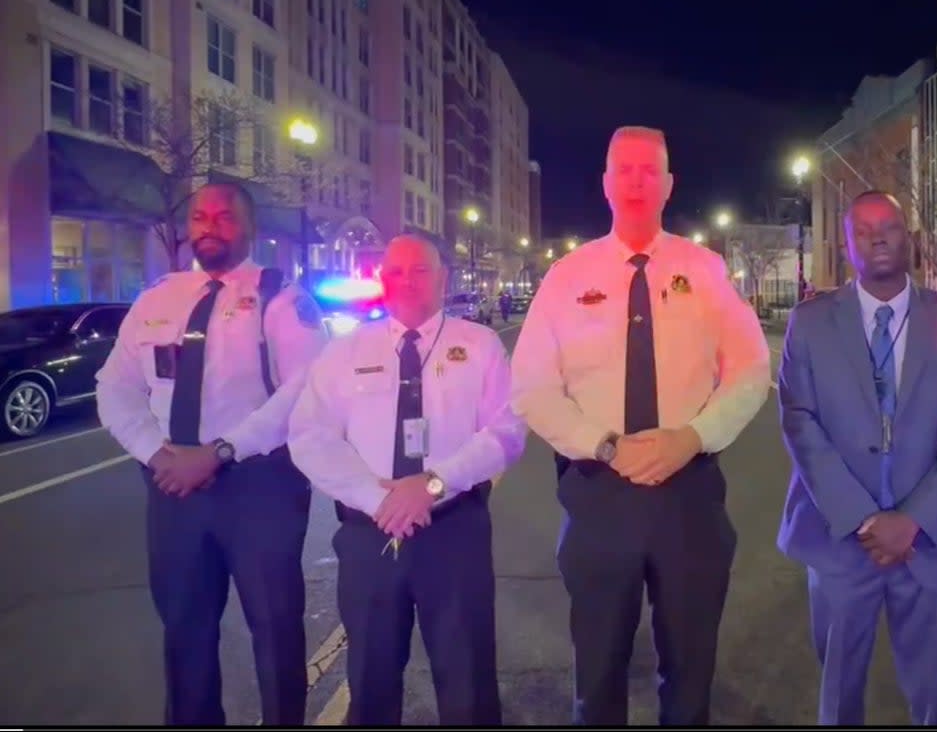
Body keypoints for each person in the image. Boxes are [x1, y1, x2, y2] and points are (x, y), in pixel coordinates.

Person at [510, 125, 771, 725]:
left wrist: (693, 437)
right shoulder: (567, 277)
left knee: (690, 671)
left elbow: (751, 369)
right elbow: (531, 386)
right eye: (623, 169)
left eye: (649, 170)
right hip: (600, 496)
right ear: (604, 183)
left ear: (669, 184)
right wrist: (602, 446)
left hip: (690, 496)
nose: (636, 181)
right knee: (597, 672)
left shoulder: (702, 269)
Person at [95, 181, 329, 726]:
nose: (209, 227)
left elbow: (304, 390)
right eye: (200, 217)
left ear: (250, 228)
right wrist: (157, 454)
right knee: (184, 629)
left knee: (274, 629)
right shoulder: (159, 299)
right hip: (174, 489)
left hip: (258, 489)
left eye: (224, 218)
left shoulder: (282, 299)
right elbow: (115, 385)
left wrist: (221, 451)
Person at [775, 189, 937, 725]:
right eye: (863, 230)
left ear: (909, 237)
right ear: (846, 245)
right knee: (838, 694)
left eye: (890, 226)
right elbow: (800, 423)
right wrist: (861, 518)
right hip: (837, 539)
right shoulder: (809, 323)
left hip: (931, 542)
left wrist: (912, 520)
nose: (878, 237)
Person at [288, 234, 526, 725]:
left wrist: (433, 484)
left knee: (468, 680)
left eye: (420, 270)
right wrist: (377, 499)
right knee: (371, 681)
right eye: (395, 271)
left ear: (443, 278)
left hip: (454, 532)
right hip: (367, 534)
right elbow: (310, 436)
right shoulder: (344, 352)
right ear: (382, 279)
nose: (406, 281)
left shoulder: (478, 345)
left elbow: (507, 433)